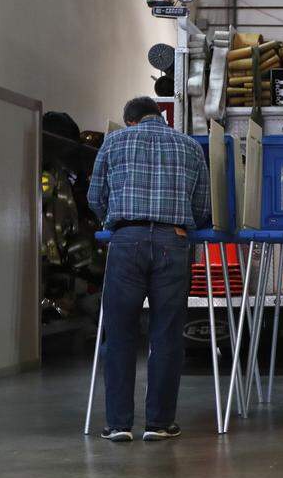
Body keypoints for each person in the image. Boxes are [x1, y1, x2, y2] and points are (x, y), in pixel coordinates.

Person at [87, 97, 210, 443]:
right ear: (160, 117)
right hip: (174, 242)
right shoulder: (188, 146)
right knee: (167, 335)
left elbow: (96, 196)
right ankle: (159, 423)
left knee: (120, 334)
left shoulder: (114, 142)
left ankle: (118, 424)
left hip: (127, 241)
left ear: (130, 121)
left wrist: (117, 222)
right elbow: (202, 206)